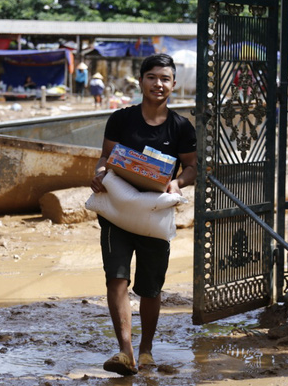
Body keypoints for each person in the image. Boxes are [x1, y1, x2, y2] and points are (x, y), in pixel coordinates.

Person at [90, 53, 197, 376]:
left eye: (165, 79)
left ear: (174, 85)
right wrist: (98, 172)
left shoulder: (181, 127)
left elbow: (192, 166)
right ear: (141, 81)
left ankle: (146, 351)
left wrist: (177, 183)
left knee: (150, 287)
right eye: (152, 77)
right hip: (117, 213)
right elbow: (106, 158)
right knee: (117, 278)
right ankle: (125, 352)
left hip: (154, 216)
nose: (158, 84)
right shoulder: (121, 119)